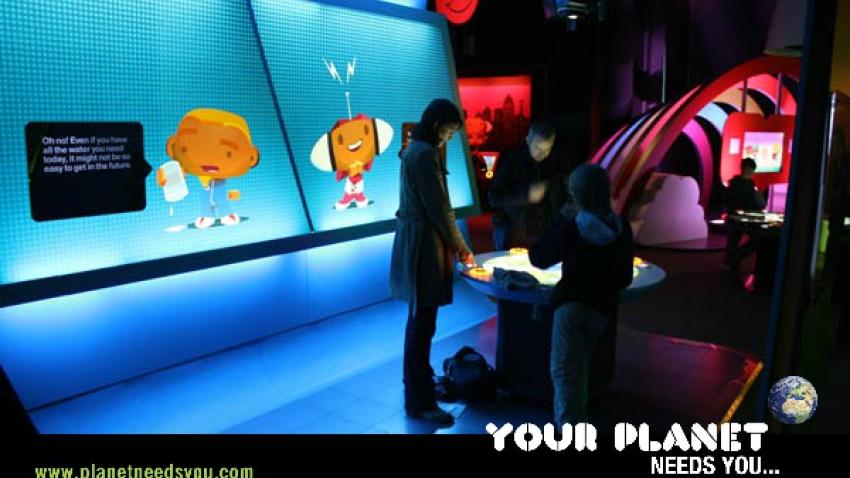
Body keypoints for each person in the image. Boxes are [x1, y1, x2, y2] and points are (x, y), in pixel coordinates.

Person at [390, 99, 475, 426]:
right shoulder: (425, 154)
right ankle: (420, 401)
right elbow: (439, 208)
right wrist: (461, 246)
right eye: (450, 131)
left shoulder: (413, 150)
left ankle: (419, 389)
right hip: (423, 248)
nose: (450, 137)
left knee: (419, 323)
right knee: (422, 325)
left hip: (416, 242)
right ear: (438, 125)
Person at [529, 164, 634, 427]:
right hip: (603, 311)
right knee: (581, 370)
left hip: (572, 310)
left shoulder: (573, 227)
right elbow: (624, 277)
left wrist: (560, 219)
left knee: (566, 376)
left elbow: (538, 256)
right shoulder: (621, 227)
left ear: (576, 194)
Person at [489, 120, 569, 250]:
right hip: (513, 229)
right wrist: (526, 195)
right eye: (537, 148)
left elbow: (564, 193)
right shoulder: (512, 161)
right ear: (527, 140)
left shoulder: (557, 164)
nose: (542, 154)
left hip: (544, 232)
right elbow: (493, 197)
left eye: (547, 149)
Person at [724, 157, 766, 271]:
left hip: (737, 218)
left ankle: (732, 261)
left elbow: (729, 201)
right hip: (740, 219)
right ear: (747, 169)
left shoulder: (735, 183)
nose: (752, 172)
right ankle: (734, 259)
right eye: (751, 170)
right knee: (751, 240)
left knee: (733, 243)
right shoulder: (746, 185)